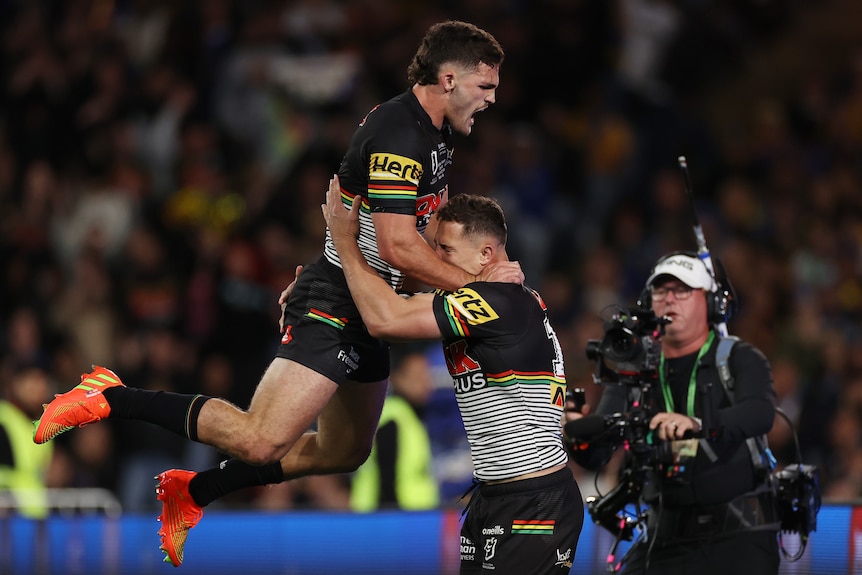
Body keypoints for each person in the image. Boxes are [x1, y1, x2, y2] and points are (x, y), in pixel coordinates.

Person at [33, 20, 522, 567]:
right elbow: (399, 245)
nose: (493, 98)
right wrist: (481, 289)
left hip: (365, 298)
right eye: (486, 86)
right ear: (450, 78)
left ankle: (193, 491)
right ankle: (108, 395)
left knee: (345, 450)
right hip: (339, 301)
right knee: (260, 440)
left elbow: (418, 234)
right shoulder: (399, 133)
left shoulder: (436, 132)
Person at [324, 180, 584, 574]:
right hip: (493, 495)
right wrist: (317, 291)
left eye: (445, 251)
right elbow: (387, 294)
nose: (434, 260)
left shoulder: (499, 301)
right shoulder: (487, 294)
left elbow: (384, 318)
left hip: (533, 500)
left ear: (485, 254)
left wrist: (345, 242)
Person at [565, 251, 780, 575]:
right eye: (661, 291)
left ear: (709, 303)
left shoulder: (738, 357)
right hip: (664, 535)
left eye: (682, 290)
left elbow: (761, 414)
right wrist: (580, 432)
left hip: (738, 535)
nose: (669, 299)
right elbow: (595, 455)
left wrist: (698, 424)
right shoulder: (633, 367)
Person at [349, 343, 439, 512]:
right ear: (398, 379)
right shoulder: (393, 418)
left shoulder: (408, 415)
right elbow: (386, 478)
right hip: (391, 520)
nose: (426, 384)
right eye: (418, 377)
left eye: (427, 376)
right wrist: (390, 525)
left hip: (407, 520)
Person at [0, 363, 56, 518]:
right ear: (15, 384)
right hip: (7, 515)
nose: (38, 389)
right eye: (32, 382)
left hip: (35, 516)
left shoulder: (45, 424)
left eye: (42, 382)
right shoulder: (3, 418)